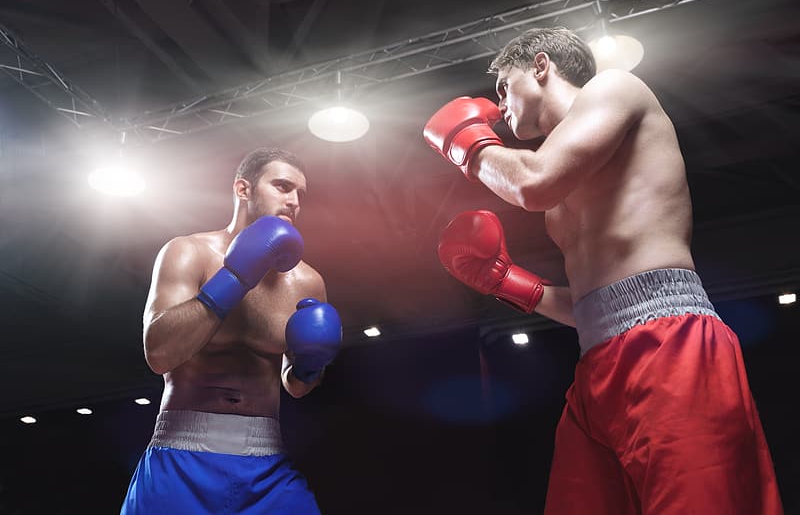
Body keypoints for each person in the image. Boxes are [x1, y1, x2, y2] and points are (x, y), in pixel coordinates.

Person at [424, 27, 783, 514]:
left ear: (542, 65)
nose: (499, 105)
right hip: (597, 364)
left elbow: (532, 184)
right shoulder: (561, 188)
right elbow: (603, 303)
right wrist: (509, 284)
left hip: (673, 345)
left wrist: (469, 144)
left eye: (504, 86)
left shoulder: (616, 88)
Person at [121, 147, 342, 514]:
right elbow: (159, 353)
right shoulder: (188, 252)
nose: (294, 202)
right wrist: (236, 278)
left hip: (267, 466)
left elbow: (297, 386)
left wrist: (310, 364)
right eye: (283, 187)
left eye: (300, 194)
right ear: (243, 189)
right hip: (181, 456)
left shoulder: (307, 281)